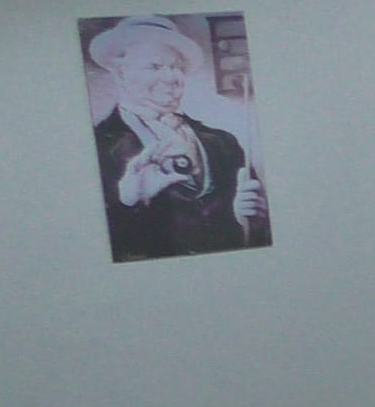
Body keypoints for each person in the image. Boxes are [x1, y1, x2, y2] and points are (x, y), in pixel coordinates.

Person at [87, 16, 270, 261]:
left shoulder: (224, 143)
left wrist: (247, 221)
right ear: (121, 74)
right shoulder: (96, 147)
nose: (172, 78)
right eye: (154, 67)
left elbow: (259, 240)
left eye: (177, 67)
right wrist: (128, 202)